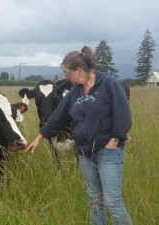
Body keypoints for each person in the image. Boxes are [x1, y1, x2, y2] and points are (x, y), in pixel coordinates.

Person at [25, 46, 132, 225]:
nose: (66, 77)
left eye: (67, 73)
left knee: (112, 201)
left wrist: (114, 141)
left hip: (108, 152)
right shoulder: (75, 92)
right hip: (84, 154)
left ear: (79, 70)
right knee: (95, 199)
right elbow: (58, 117)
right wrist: (39, 137)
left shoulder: (107, 83)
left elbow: (124, 115)